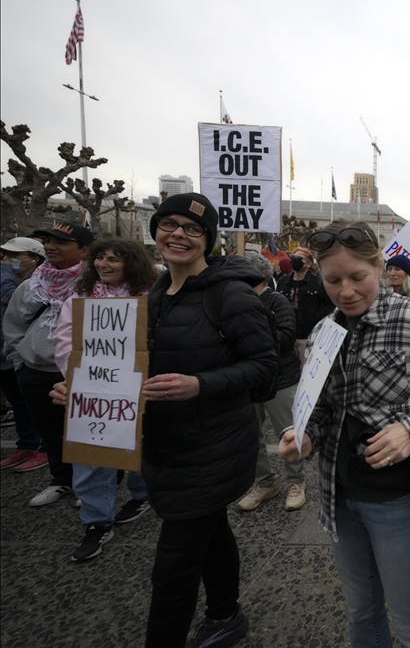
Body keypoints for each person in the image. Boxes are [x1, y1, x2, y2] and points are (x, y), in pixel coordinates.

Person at [277, 219, 410, 648]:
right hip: (340, 491)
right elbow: (324, 406)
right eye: (333, 280)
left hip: (399, 498)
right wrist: (305, 435)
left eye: (358, 277)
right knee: (361, 610)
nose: (346, 290)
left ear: (379, 268)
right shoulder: (324, 331)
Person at [141, 193, 276, 647]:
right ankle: (225, 616)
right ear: (156, 229)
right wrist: (82, 388)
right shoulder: (157, 292)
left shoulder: (230, 294)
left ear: (208, 240)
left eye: (193, 229)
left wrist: (199, 384)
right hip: (168, 442)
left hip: (212, 446)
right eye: (170, 224)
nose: (178, 234)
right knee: (210, 530)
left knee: (173, 568)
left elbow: (263, 367)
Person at [52, 239, 158, 560]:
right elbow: (65, 343)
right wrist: (78, 379)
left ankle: (141, 496)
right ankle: (97, 522)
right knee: (91, 455)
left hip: (138, 390)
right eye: (100, 258)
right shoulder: (80, 299)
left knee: (139, 449)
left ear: (132, 264)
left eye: (114, 259)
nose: (104, 264)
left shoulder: (150, 299)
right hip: (92, 391)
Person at [3, 222, 93, 506]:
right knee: (52, 433)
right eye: (48, 240)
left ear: (84, 251)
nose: (51, 246)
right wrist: (21, 362)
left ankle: (94, 485)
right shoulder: (32, 285)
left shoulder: (99, 285)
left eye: (61, 242)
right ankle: (62, 480)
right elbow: (14, 325)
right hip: (35, 373)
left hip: (83, 376)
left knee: (90, 432)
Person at [236, 251, 306, 512]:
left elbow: (287, 338)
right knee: (250, 436)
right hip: (248, 380)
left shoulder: (277, 301)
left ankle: (297, 481)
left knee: (288, 432)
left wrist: (254, 332)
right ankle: (264, 482)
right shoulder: (235, 303)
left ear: (259, 275)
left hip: (280, 380)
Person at [0, 236, 47, 472]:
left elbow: (9, 300)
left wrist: (4, 272)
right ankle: (27, 444)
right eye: (5, 256)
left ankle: (46, 449)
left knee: (38, 406)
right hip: (7, 354)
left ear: (34, 259)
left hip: (28, 358)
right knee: (19, 405)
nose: (8, 261)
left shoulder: (38, 283)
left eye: (14, 257)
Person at [276, 247, 333, 362]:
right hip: (287, 336)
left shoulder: (317, 282)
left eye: (300, 258)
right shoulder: (283, 281)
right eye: (293, 258)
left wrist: (315, 317)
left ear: (309, 263)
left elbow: (330, 304)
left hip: (307, 336)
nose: (296, 261)